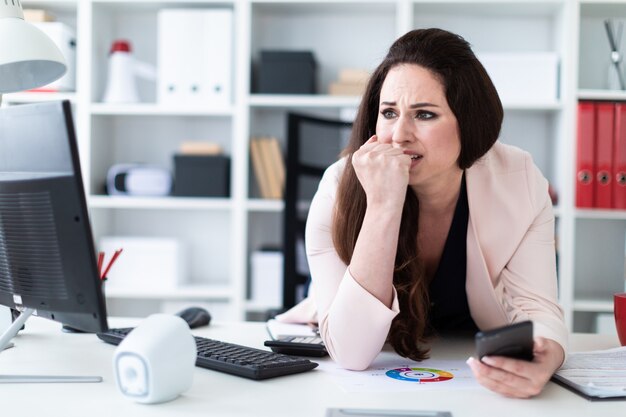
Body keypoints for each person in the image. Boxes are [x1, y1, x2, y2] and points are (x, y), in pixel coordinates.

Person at [279, 28, 567, 399]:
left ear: (469, 122)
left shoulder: (519, 180)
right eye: (388, 113)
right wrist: (382, 206)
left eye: (425, 114)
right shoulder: (338, 187)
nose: (399, 135)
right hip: (372, 370)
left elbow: (540, 311)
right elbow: (351, 353)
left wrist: (547, 356)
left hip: (463, 369)